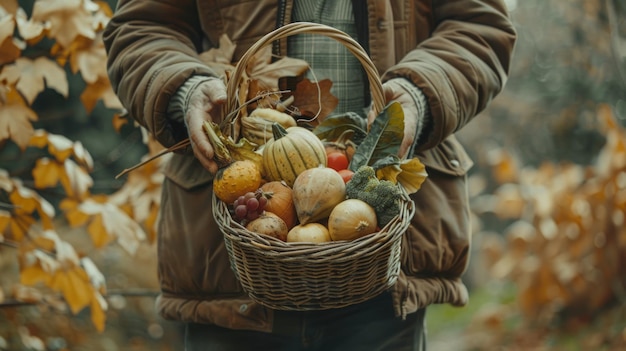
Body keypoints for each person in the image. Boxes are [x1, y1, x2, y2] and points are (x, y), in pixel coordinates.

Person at [103, 1, 516, 350]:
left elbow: (479, 25)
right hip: (230, 264)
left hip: (383, 261)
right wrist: (186, 89)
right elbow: (142, 26)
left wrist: (419, 94)